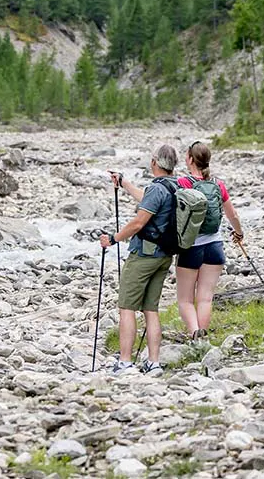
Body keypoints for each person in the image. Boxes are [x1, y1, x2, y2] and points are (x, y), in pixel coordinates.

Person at [99, 144, 179, 373]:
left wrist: (113, 239)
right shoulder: (175, 186)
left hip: (145, 255)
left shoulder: (157, 188)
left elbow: (138, 223)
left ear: (154, 162)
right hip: (164, 255)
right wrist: (124, 183)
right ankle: (154, 362)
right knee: (150, 310)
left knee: (126, 307)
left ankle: (125, 362)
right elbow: (147, 199)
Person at [174, 141, 244, 341]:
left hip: (191, 247)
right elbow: (233, 216)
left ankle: (194, 333)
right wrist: (239, 234)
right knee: (205, 297)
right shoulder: (218, 184)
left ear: (189, 160)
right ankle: (202, 339)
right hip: (215, 246)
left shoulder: (183, 183)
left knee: (185, 300)